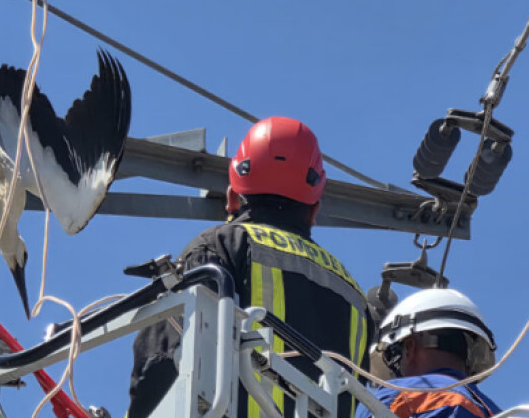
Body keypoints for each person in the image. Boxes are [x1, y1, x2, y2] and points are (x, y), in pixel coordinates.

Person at [128, 117, 373, 418]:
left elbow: (162, 360)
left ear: (232, 196)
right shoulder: (354, 297)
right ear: (314, 209)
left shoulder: (220, 245)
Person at [355, 288, 500, 418]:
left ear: (408, 348)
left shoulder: (402, 396)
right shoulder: (497, 412)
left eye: (393, 361)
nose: (393, 377)